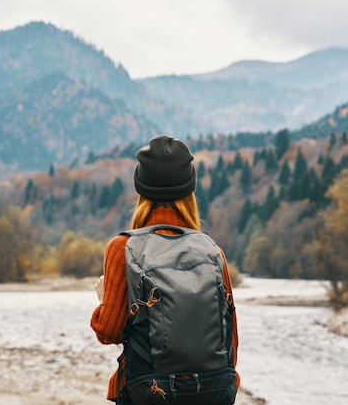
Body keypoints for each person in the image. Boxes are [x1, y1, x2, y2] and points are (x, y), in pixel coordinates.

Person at [90, 135, 239, 404]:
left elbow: (108, 331)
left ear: (141, 191)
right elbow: (230, 341)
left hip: (146, 393)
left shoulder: (123, 247)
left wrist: (104, 301)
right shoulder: (213, 251)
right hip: (211, 392)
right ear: (189, 192)